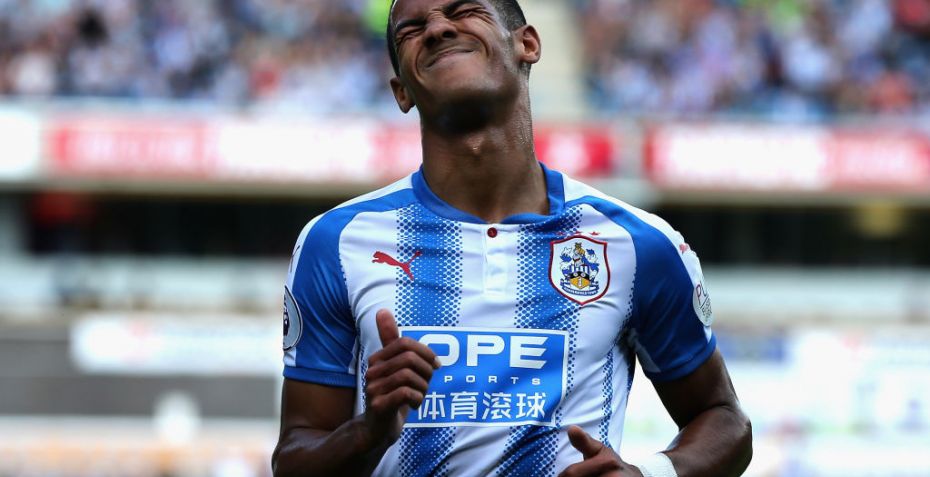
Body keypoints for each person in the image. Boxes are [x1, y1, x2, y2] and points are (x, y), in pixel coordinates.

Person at [272, 0, 752, 475]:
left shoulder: (636, 244)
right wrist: (367, 432)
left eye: (464, 10)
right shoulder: (336, 243)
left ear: (528, 44)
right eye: (411, 30)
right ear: (402, 92)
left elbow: (723, 419)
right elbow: (294, 460)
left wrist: (648, 475)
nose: (437, 29)